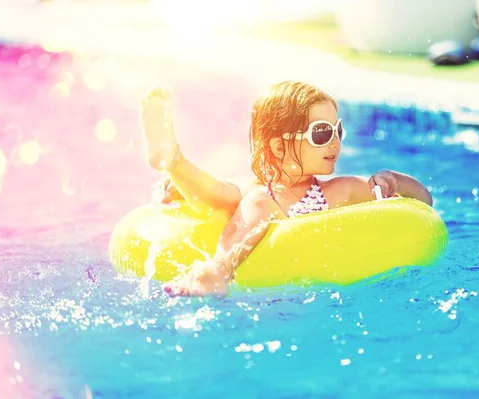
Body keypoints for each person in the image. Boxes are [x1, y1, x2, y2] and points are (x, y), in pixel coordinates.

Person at [141, 81, 433, 297]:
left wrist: (394, 179)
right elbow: (215, 193)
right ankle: (174, 162)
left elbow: (423, 202)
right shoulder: (258, 192)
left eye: (337, 130)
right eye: (321, 132)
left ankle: (177, 167)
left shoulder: (340, 191)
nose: (335, 142)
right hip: (270, 290)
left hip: (324, 290)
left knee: (250, 199)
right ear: (279, 146)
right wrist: (179, 185)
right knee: (246, 198)